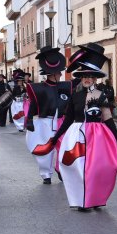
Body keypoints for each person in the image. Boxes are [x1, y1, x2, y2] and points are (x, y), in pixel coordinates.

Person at [51, 42, 117, 211]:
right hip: (76, 135)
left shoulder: (101, 96)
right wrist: (56, 137)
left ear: (95, 78)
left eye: (90, 76)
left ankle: (95, 198)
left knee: (96, 169)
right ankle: (82, 199)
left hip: (98, 137)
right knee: (76, 167)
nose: (87, 78)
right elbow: (68, 119)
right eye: (84, 75)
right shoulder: (75, 96)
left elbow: (107, 119)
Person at [25, 46, 73, 184]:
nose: (60, 75)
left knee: (64, 146)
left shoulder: (65, 86)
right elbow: (34, 105)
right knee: (45, 150)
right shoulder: (39, 89)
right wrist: (29, 120)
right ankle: (46, 173)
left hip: (61, 121)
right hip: (45, 122)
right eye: (59, 72)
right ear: (53, 73)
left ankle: (60, 169)